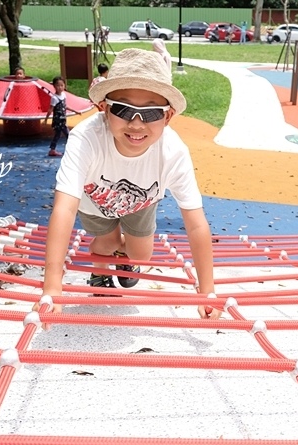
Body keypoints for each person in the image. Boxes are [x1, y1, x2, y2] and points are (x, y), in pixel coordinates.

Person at [39, 48, 221, 320]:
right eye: (123, 109)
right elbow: (64, 209)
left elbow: (196, 223)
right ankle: (100, 273)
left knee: (141, 255)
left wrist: (208, 292)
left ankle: (125, 255)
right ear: (104, 109)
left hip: (141, 203)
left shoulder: (172, 151)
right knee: (105, 243)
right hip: (95, 202)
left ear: (168, 117)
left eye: (150, 113)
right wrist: (52, 286)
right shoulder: (86, 139)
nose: (136, 124)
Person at [45, 76, 70, 157]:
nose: (60, 87)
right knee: (67, 135)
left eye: (62, 85)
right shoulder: (54, 98)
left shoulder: (63, 95)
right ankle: (54, 150)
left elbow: (65, 106)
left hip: (63, 120)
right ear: (54, 86)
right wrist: (46, 119)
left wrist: (75, 111)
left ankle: (52, 149)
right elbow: (50, 109)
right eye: (58, 85)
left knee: (60, 135)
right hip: (58, 121)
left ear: (64, 86)